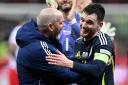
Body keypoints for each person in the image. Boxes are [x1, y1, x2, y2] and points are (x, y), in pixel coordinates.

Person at [46, 3, 115, 85]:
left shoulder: (103, 42)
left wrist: (68, 63)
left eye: (89, 22)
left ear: (100, 25)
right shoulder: (79, 41)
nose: (83, 25)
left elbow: (97, 69)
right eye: (82, 20)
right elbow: (77, 73)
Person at [16, 8, 85, 85]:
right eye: (61, 23)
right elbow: (67, 76)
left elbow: (63, 63)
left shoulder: (41, 39)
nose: (63, 26)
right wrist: (91, 70)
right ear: (50, 26)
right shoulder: (39, 49)